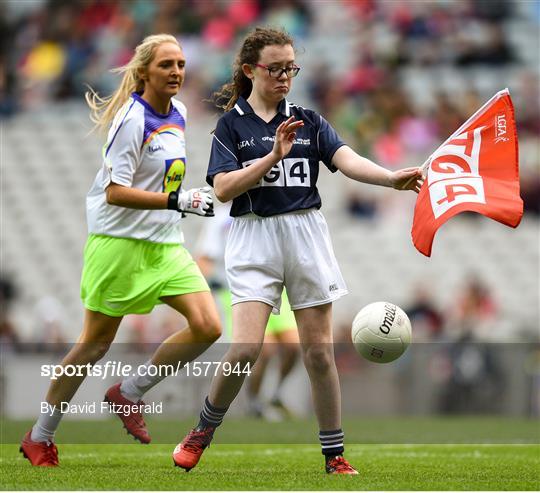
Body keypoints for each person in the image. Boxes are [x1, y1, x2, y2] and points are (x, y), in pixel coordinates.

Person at [172, 27, 422, 475]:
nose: (286, 76)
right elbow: (224, 189)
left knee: (319, 354)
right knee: (246, 350)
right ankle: (202, 432)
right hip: (253, 237)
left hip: (306, 234)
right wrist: (272, 156)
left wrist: (389, 178)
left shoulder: (308, 118)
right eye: (276, 68)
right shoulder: (231, 125)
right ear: (251, 70)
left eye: (292, 68)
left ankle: (335, 455)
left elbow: (347, 159)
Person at [20, 34, 222, 467]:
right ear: (145, 70)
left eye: (181, 64)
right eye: (167, 64)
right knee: (93, 345)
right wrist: (179, 200)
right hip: (119, 244)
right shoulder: (132, 118)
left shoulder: (181, 112)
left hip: (165, 243)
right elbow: (115, 192)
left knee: (208, 326)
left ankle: (128, 393)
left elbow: (162, 179)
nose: (176, 72)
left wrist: (179, 201)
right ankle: (40, 436)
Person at [195, 202, 299, 419]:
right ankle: (254, 401)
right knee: (263, 350)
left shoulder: (268, 204)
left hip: (276, 285)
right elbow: (204, 257)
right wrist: (211, 284)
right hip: (238, 289)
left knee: (293, 346)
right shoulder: (221, 218)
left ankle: (276, 395)